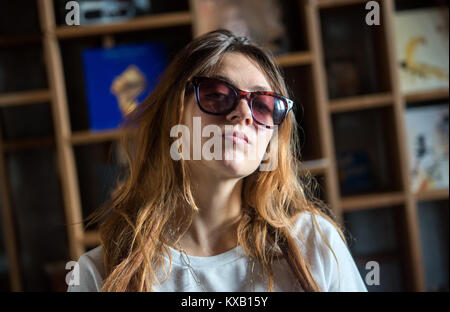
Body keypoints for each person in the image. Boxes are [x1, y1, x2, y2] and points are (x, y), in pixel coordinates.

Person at [67, 29, 367, 292]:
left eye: (263, 105)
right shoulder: (102, 273)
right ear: (173, 116)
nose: (244, 114)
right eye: (217, 95)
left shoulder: (312, 245)